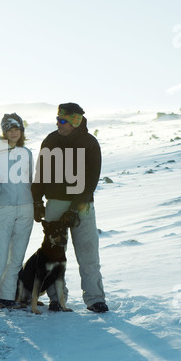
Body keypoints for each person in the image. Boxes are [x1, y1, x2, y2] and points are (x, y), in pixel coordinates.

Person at [31, 103, 108, 313]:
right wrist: (37, 200)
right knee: (54, 254)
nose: (58, 123)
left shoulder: (90, 143)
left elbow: (91, 181)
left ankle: (95, 299)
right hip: (55, 203)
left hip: (82, 206)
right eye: (57, 119)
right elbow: (40, 173)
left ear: (75, 121)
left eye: (63, 120)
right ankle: (57, 298)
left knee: (88, 253)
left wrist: (74, 209)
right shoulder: (50, 140)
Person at [0, 113, 34, 311]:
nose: (14, 133)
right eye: (9, 129)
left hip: (26, 207)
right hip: (4, 208)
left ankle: (6, 297)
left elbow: (30, 179)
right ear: (4, 132)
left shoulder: (26, 153)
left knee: (16, 258)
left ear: (21, 131)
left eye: (17, 129)